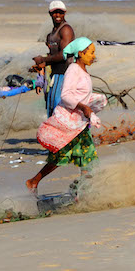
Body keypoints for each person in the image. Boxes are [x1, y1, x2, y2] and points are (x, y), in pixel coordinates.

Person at [28, 38, 106, 193]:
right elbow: (66, 96)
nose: (93, 56)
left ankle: (83, 190)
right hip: (70, 123)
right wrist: (84, 107)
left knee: (87, 157)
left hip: (79, 124)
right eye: (90, 52)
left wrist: (95, 103)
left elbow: (81, 94)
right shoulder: (73, 70)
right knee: (63, 157)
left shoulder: (83, 71)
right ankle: (33, 182)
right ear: (80, 53)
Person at [31, 0, 76, 117]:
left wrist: (43, 60)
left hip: (65, 75)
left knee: (58, 108)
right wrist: (41, 66)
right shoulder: (50, 35)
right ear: (50, 14)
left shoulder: (66, 30)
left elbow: (63, 55)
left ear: (64, 13)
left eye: (60, 12)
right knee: (51, 107)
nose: (58, 15)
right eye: (55, 12)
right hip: (54, 76)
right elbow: (52, 57)